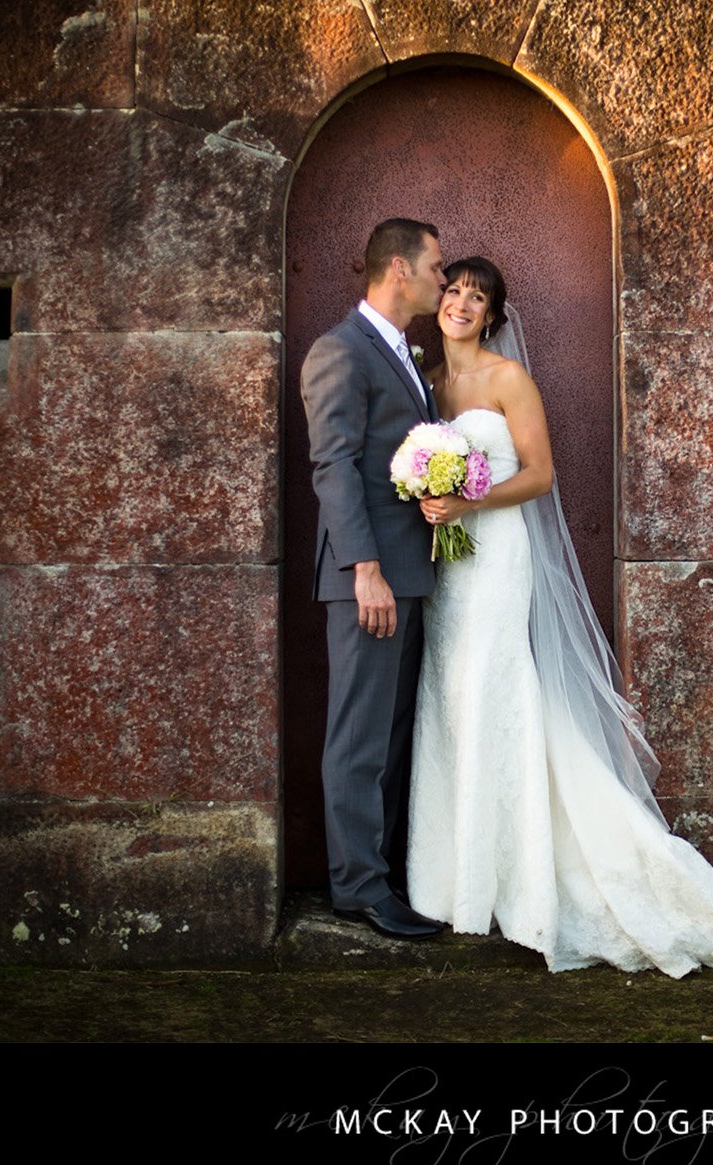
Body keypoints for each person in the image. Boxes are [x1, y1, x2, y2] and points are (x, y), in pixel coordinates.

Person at [409, 258, 713, 976]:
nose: (459, 302)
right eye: (452, 290)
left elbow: (540, 474)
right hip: (446, 567)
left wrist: (467, 502)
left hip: (496, 558)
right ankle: (453, 880)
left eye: (475, 297)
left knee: (491, 688)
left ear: (492, 316)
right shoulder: (428, 382)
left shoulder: (508, 380)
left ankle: (525, 879)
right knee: (448, 696)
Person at [300, 218, 448, 939]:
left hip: (407, 574)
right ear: (399, 268)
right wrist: (365, 569)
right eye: (436, 266)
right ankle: (357, 886)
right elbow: (332, 466)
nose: (443, 280)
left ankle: (379, 875)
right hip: (369, 579)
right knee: (359, 735)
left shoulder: (404, 355)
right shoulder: (340, 351)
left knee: (389, 736)